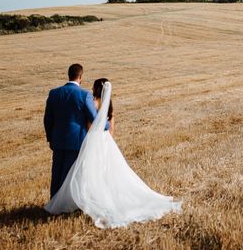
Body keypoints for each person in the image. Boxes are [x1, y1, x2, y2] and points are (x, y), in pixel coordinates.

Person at [45, 79, 182, 228]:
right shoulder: (107, 105)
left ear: (96, 88)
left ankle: (66, 202)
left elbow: (91, 123)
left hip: (91, 141)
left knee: (78, 173)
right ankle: (87, 201)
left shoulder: (92, 102)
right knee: (102, 174)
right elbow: (110, 129)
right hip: (104, 141)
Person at [44, 63, 108, 198]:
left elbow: (47, 119)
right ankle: (66, 204)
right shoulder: (84, 95)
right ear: (81, 77)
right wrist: (107, 124)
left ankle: (54, 202)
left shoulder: (54, 93)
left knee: (56, 173)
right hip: (76, 141)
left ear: (69, 75)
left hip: (57, 140)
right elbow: (94, 119)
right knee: (70, 175)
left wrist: (50, 138)